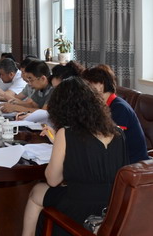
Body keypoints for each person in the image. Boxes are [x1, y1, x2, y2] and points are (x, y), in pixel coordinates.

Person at [21, 77, 128, 236]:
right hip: (112, 207)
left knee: (37, 191)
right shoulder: (118, 132)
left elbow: (53, 180)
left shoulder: (66, 133)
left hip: (78, 208)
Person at [82, 64, 149, 164]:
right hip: (115, 158)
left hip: (130, 163)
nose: (85, 90)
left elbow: (112, 143)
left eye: (88, 85)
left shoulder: (119, 108)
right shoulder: (101, 106)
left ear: (100, 85)